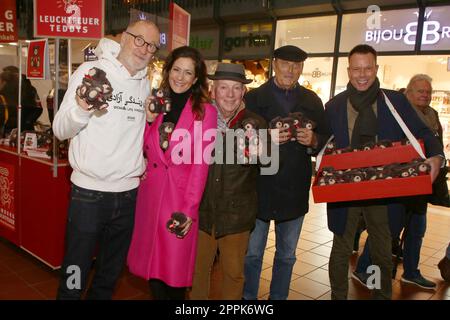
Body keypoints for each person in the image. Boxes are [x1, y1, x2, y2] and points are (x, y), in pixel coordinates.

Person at [325, 44, 444, 300]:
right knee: (341, 248)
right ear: (348, 70)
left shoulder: (395, 101)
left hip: (385, 190)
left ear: (376, 68)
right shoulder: (334, 106)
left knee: (381, 250)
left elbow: (423, 132)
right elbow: (323, 142)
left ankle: (382, 294)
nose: (362, 74)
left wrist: (437, 156)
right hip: (345, 189)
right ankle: (338, 296)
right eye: (356, 68)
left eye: (368, 68)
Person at [53, 19, 161, 300]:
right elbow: (60, 129)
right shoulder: (91, 71)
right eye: (139, 40)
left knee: (109, 276)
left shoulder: (144, 84)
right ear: (125, 38)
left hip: (127, 196)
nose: (144, 49)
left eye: (151, 46)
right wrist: (81, 108)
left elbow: (134, 133)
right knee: (75, 273)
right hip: (89, 195)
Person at [126, 46, 217, 300]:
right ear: (168, 71)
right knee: (152, 271)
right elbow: (144, 147)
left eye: (188, 72)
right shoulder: (156, 102)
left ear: (196, 78)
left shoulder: (205, 112)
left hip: (180, 200)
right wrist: (147, 119)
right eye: (176, 69)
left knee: (174, 274)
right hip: (151, 196)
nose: (180, 77)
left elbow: (201, 165)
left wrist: (189, 208)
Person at [242, 45, 331, 300]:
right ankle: (248, 298)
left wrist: (314, 140)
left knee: (287, 255)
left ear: (302, 68)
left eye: (296, 65)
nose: (290, 70)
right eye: (285, 64)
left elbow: (326, 138)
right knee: (252, 254)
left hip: (294, 187)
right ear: (274, 64)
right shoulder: (254, 98)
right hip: (258, 187)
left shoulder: (312, 100)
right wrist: (265, 138)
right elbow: (239, 142)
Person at [353, 74, 443, 290]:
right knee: (387, 229)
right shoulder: (395, 111)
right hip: (397, 181)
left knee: (417, 229)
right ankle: (364, 269)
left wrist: (438, 157)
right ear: (408, 93)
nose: (425, 95)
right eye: (420, 91)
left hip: (423, 182)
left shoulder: (432, 114)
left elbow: (433, 140)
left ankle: (411, 272)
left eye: (428, 91)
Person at [190, 63, 266, 300]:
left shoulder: (255, 122)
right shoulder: (198, 119)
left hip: (236, 216)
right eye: (224, 88)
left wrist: (263, 151)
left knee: (233, 274)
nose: (230, 94)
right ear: (213, 90)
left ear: (244, 92)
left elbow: (270, 164)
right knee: (197, 273)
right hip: (201, 212)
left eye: (236, 88)